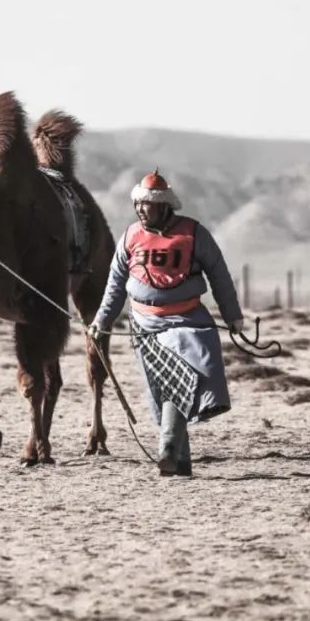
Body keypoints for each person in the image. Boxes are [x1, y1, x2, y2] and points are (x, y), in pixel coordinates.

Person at [87, 169, 244, 477]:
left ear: (165, 206)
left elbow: (220, 276)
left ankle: (168, 448)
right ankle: (180, 462)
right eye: (139, 204)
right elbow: (116, 283)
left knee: (180, 382)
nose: (142, 210)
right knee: (162, 389)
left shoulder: (194, 234)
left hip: (188, 322)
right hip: (144, 326)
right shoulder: (130, 236)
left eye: (149, 204)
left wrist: (233, 316)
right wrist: (100, 321)